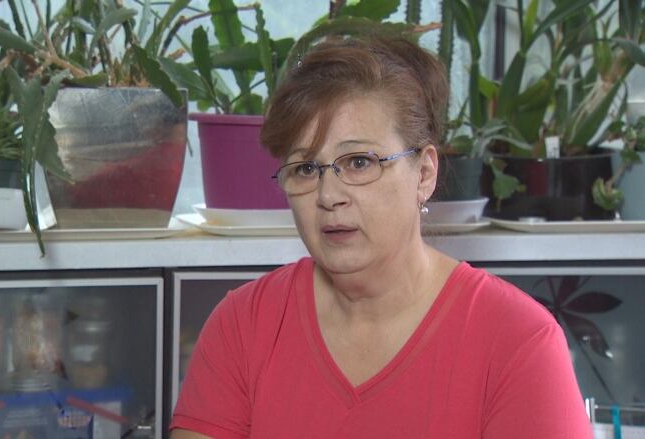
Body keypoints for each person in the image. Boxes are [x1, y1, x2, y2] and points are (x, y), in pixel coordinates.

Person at [170, 35, 593, 438]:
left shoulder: (519, 342)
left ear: (424, 173)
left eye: (358, 162)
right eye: (305, 169)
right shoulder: (242, 327)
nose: (329, 196)